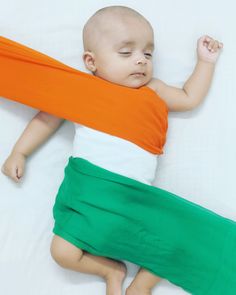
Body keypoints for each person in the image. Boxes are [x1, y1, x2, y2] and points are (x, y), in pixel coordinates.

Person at [1, 5, 224, 295]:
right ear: (91, 61)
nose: (141, 61)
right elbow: (46, 118)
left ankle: (140, 286)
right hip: (90, 197)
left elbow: (189, 97)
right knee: (62, 252)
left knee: (168, 238)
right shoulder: (81, 90)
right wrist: (20, 153)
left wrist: (205, 62)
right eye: (126, 53)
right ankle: (110, 269)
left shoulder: (152, 91)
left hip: (133, 200)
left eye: (147, 54)